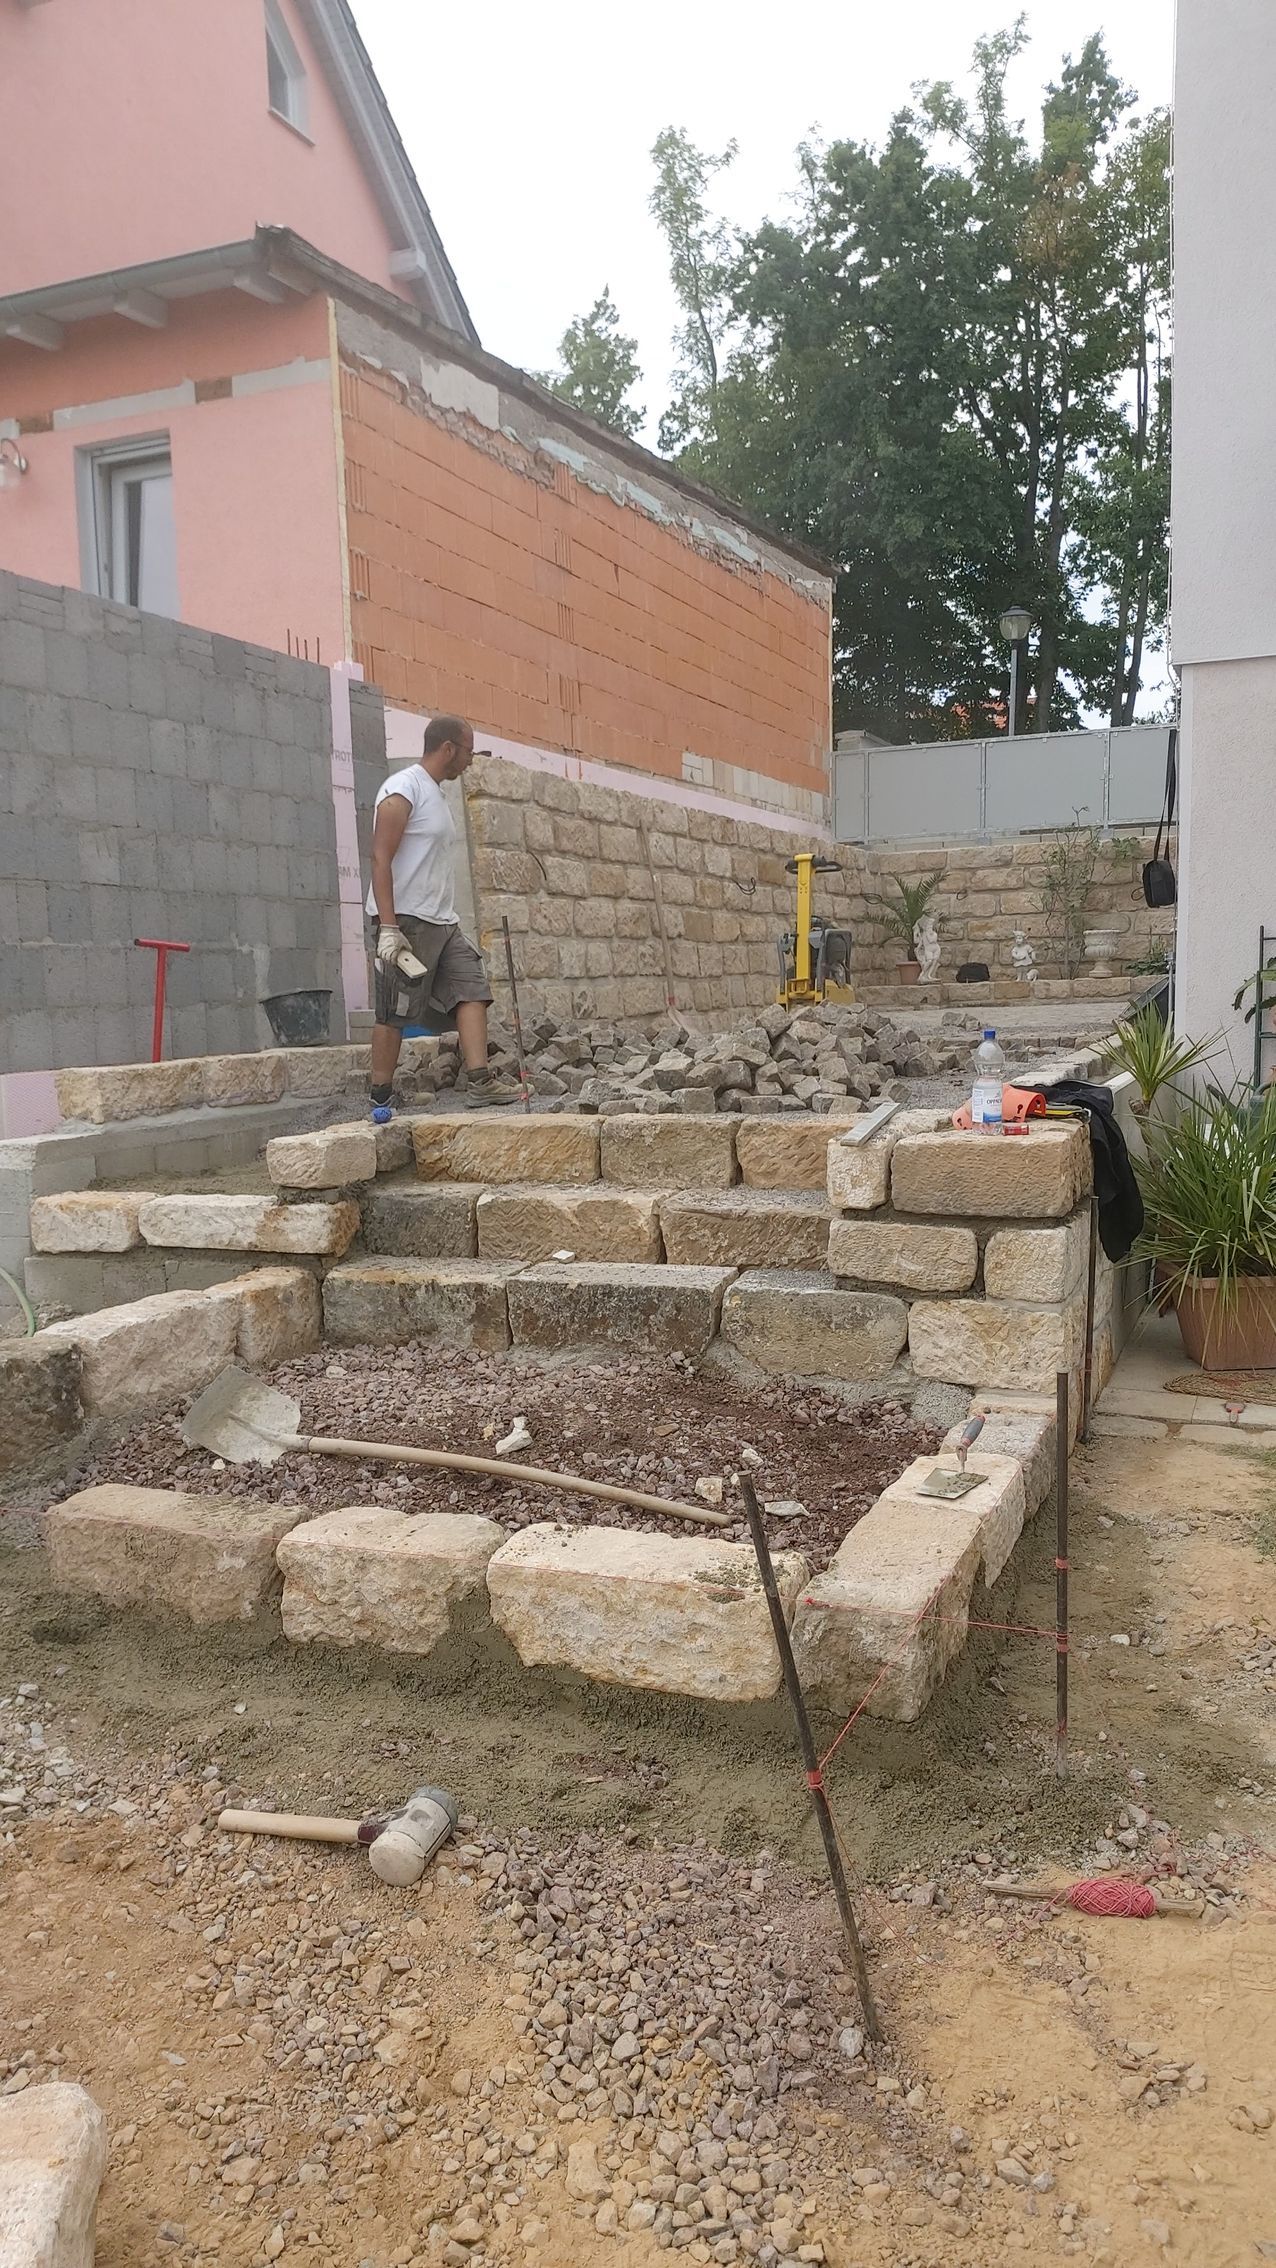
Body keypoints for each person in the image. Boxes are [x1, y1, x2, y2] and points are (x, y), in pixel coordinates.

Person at [365, 713, 521, 1115]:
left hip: (443, 921)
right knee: (395, 1010)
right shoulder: (403, 788)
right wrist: (388, 927)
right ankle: (380, 1095)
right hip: (406, 921)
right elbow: (380, 858)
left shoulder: (435, 793)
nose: (470, 760)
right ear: (448, 748)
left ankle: (480, 1082)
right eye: (468, 751)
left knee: (471, 989)